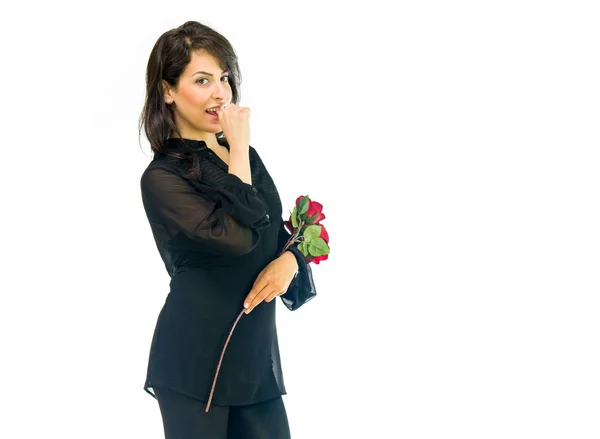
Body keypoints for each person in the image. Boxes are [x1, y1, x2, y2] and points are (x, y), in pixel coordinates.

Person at [137, 21, 317, 438]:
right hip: (193, 360)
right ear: (168, 91)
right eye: (202, 80)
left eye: (224, 78)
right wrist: (236, 146)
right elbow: (239, 239)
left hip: (254, 359)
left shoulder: (246, 156)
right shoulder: (163, 177)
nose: (221, 92)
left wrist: (291, 259)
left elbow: (274, 233)